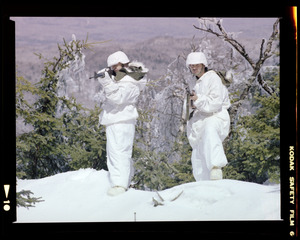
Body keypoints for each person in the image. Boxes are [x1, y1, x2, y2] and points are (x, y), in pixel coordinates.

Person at [97, 51, 148, 196]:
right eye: (112, 67)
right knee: (116, 152)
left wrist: (107, 82)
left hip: (121, 120)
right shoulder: (123, 80)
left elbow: (118, 98)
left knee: (119, 152)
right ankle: (123, 181)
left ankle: (120, 184)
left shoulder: (129, 82)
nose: (114, 69)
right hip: (117, 120)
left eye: (116, 66)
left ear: (124, 64)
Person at [185, 52, 231, 181]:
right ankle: (202, 181)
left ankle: (216, 169)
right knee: (199, 150)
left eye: (196, 65)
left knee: (210, 135)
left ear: (203, 65)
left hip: (214, 116)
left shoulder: (213, 78)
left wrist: (198, 100)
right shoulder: (194, 81)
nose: (194, 68)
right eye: (191, 66)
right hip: (199, 119)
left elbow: (215, 103)